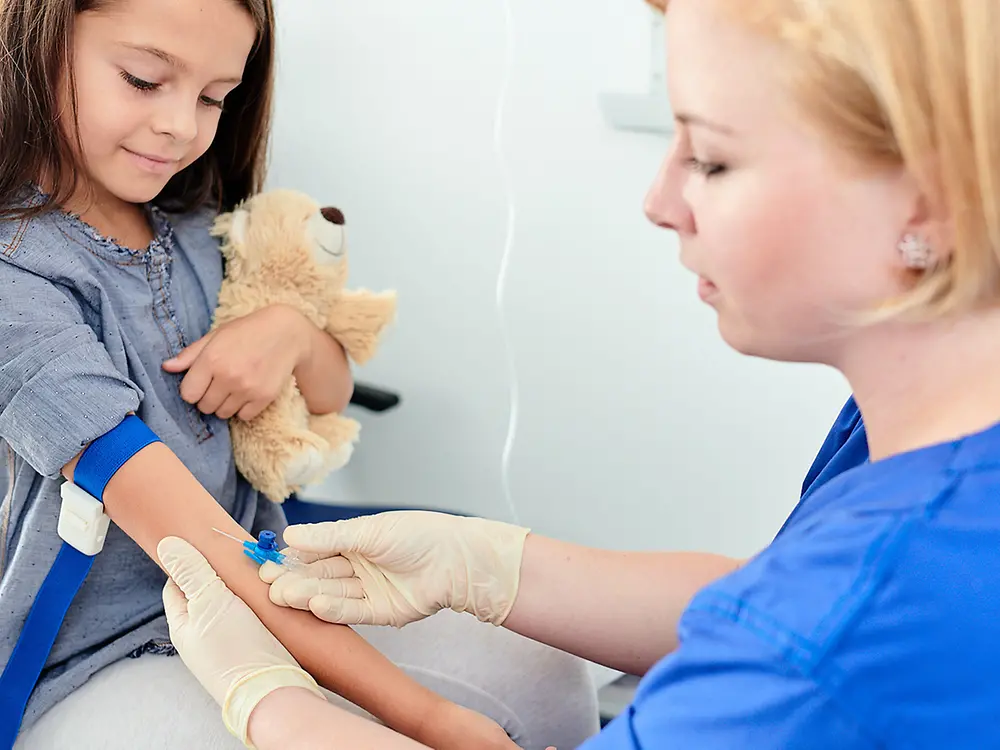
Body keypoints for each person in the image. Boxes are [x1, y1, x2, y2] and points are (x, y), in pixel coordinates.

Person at [157, 0, 1000, 746]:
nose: (659, 201)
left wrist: (271, 705)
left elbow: (804, 636)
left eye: (711, 159)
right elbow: (771, 602)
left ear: (932, 197)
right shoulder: (912, 439)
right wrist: (483, 563)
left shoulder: (848, 616)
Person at [0, 1, 598, 749]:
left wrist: (293, 333)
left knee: (541, 668)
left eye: (214, 97)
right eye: (144, 80)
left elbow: (326, 395)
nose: (182, 126)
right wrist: (431, 719)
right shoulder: (15, 280)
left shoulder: (199, 227)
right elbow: (190, 536)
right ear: (37, 37)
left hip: (265, 591)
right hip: (92, 661)